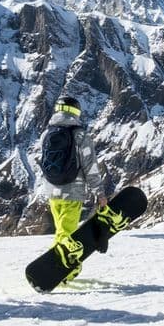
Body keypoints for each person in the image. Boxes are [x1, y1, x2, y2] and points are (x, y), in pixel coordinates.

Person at [39, 95, 111, 283]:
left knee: (61, 231)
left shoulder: (46, 134)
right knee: (67, 234)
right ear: (76, 112)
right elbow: (90, 168)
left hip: (52, 192)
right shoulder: (80, 136)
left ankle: (58, 268)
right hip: (72, 192)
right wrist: (100, 194)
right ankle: (68, 267)